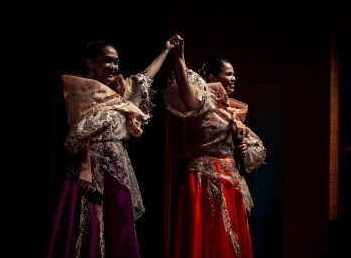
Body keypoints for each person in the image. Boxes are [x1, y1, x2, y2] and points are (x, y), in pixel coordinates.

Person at [46, 36, 177, 258]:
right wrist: (85, 167)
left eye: (116, 62)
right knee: (91, 225)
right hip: (94, 168)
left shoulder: (118, 92)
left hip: (117, 167)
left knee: (118, 226)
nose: (113, 66)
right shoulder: (83, 89)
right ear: (91, 63)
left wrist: (165, 51)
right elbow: (80, 130)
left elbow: (144, 78)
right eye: (107, 61)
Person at [163, 34, 266, 258]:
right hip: (202, 178)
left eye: (234, 74)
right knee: (207, 237)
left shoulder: (233, 112)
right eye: (228, 74)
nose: (233, 78)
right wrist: (179, 57)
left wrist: (242, 151)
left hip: (230, 179)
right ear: (212, 77)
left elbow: (240, 147)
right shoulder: (201, 103)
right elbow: (183, 85)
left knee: (230, 241)